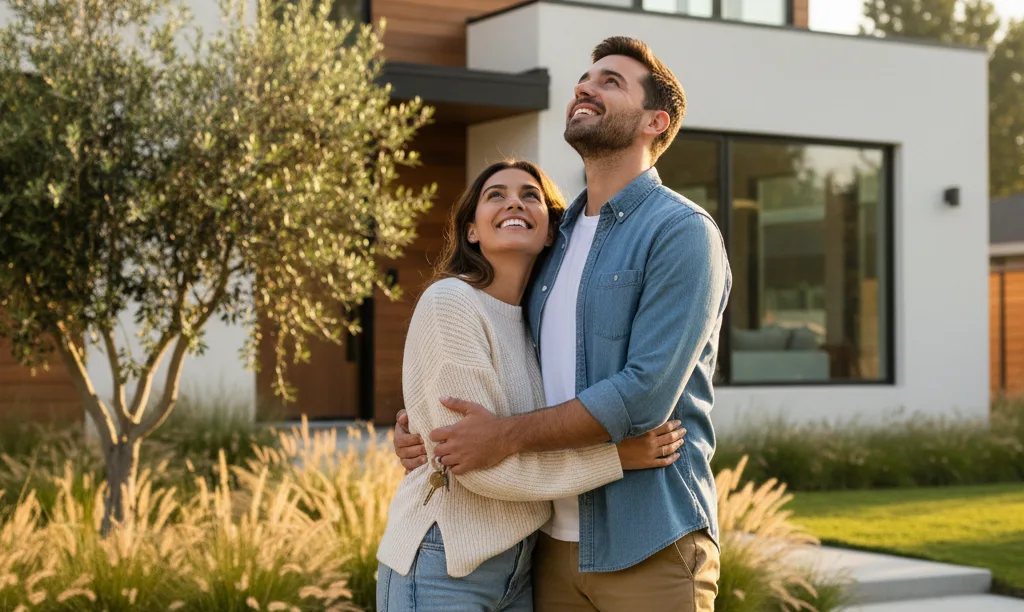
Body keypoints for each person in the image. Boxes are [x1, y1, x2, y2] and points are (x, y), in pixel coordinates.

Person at [393, 36, 732, 612]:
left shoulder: (681, 232)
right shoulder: (552, 240)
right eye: (586, 77)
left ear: (657, 121)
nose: (585, 86)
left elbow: (643, 396)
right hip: (547, 549)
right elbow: (511, 359)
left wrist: (502, 436)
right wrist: (424, 427)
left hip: (647, 540)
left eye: (610, 81)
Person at [375, 159, 688, 612]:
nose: (513, 202)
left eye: (530, 195)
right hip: (446, 566)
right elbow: (479, 466)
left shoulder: (535, 323)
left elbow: (527, 431)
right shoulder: (452, 303)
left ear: (548, 234)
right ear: (472, 232)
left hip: (521, 569)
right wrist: (615, 458)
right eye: (495, 195)